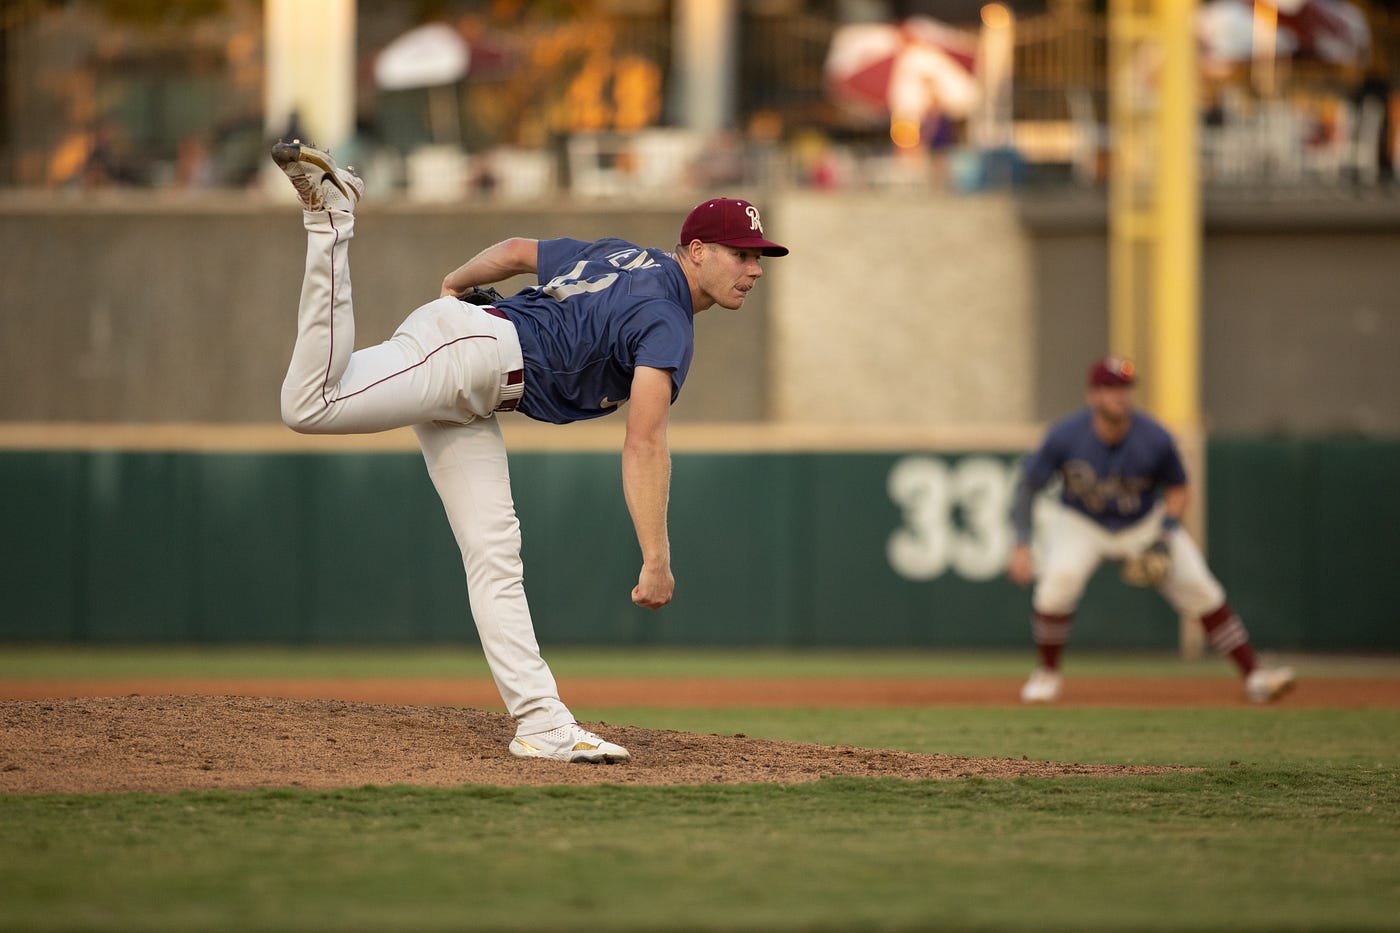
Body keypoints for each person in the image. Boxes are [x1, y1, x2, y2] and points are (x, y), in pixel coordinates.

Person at [270, 140, 787, 762]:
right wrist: (657, 557)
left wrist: (455, 284)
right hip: (476, 355)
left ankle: (542, 723)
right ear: (698, 251)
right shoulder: (669, 319)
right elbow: (645, 441)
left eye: (759, 256)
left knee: (495, 552)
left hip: (476, 378)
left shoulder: (625, 254)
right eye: (742, 254)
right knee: (311, 405)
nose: (754, 269)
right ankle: (332, 220)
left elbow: (516, 253)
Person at [1006, 357, 1295, 704]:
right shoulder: (1065, 435)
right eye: (1111, 389)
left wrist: (1165, 531)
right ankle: (1047, 675)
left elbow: (1178, 488)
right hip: (1082, 521)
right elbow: (1028, 487)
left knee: (1201, 589)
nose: (1120, 396)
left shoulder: (1154, 436)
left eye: (1125, 388)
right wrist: (1021, 543)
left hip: (1143, 522)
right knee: (1058, 583)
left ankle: (1255, 676)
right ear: (1092, 395)